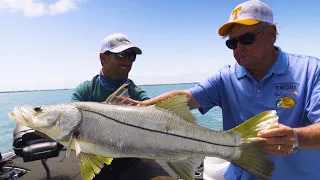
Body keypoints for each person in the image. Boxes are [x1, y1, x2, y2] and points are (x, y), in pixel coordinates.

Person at [139, 1, 320, 179]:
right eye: (232, 43)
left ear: (271, 33)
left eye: (247, 39)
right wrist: (141, 107)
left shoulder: (311, 71)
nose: (239, 48)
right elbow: (187, 98)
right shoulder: (226, 77)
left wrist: (296, 138)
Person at [71, 33, 174, 180]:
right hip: (96, 159)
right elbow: (72, 127)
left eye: (131, 56)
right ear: (103, 58)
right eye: (120, 55)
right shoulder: (85, 91)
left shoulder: (136, 93)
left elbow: (158, 117)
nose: (127, 61)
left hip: (133, 158)